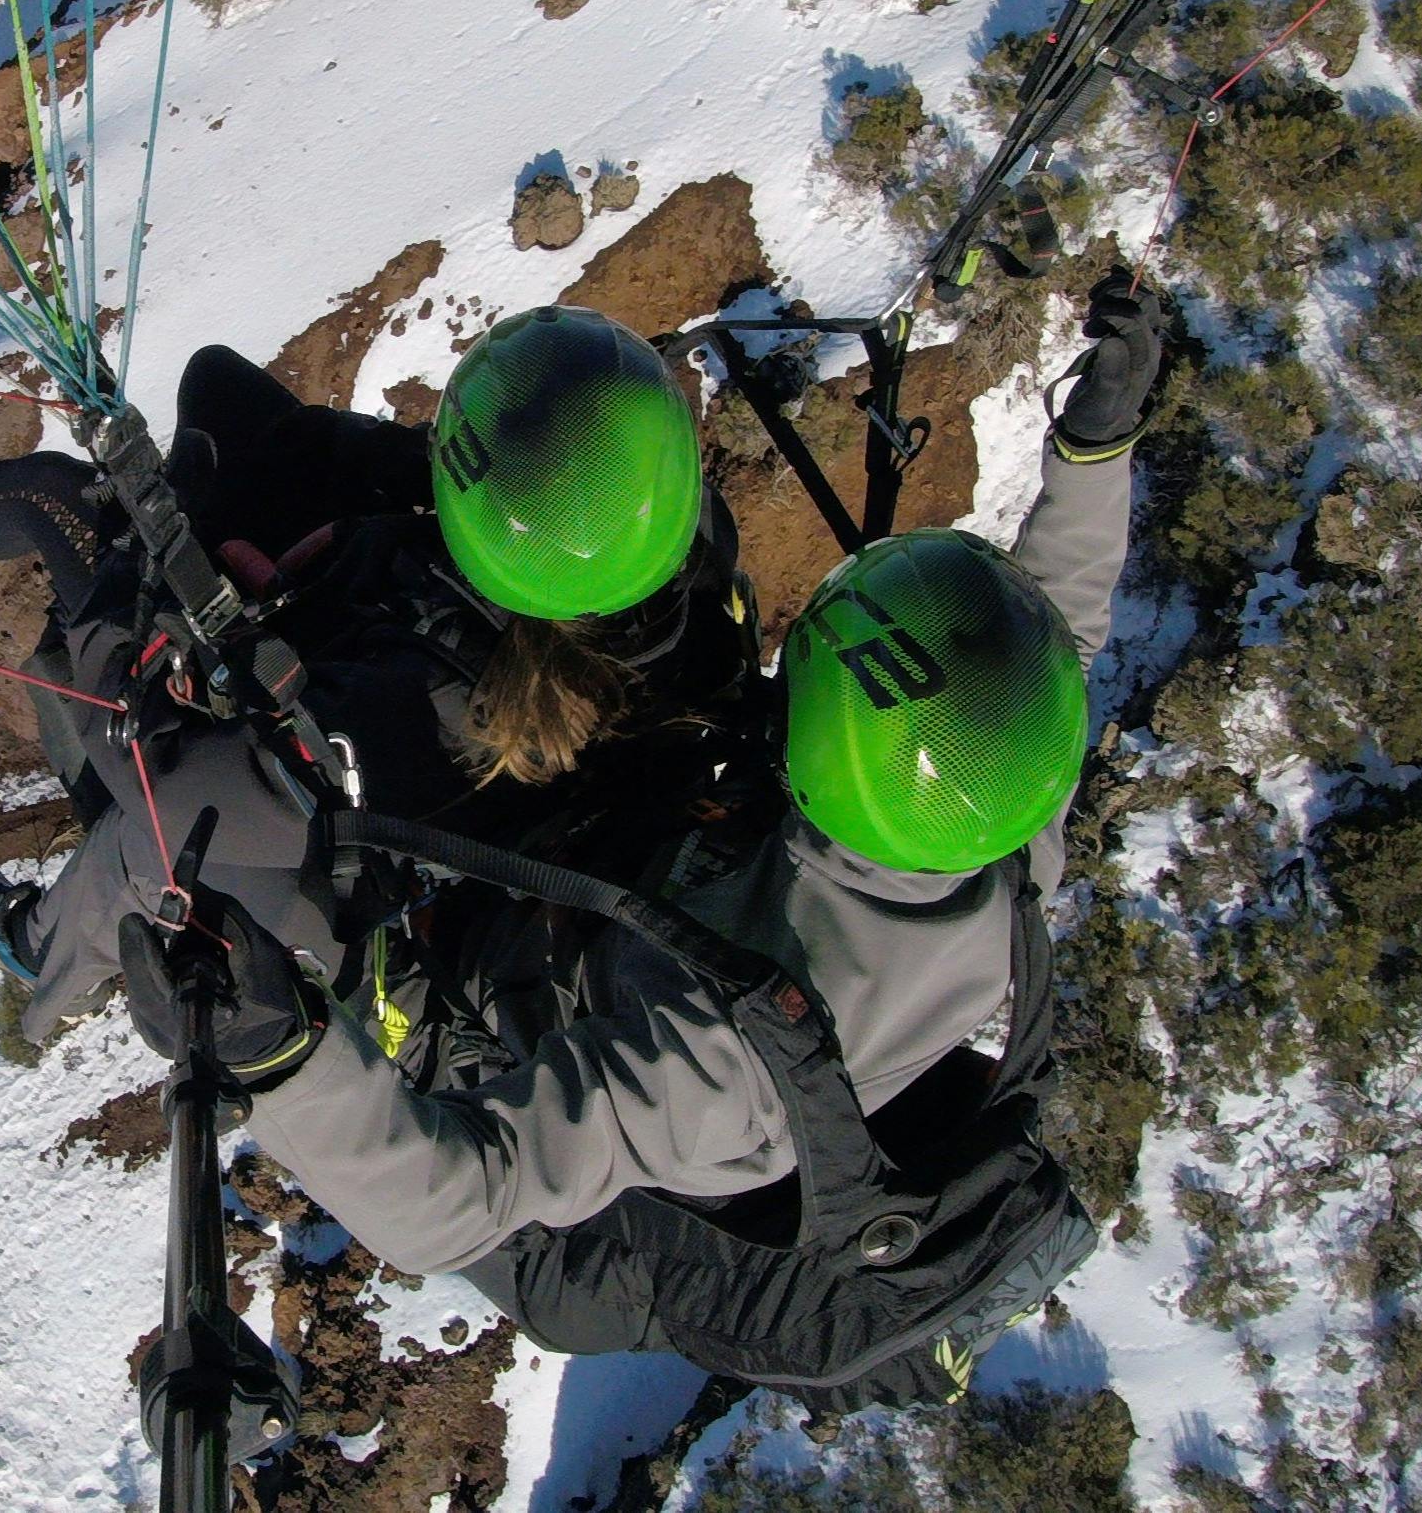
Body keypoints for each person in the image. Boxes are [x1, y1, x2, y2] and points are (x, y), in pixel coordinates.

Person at [108, 272, 1171, 1384]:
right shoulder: (994, 834)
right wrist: (1093, 453)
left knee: (410, 977)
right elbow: (1058, 645)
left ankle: (39, 944)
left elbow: (454, 1197)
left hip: (596, 1251)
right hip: (776, 1057)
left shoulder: (711, 1059)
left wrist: (284, 1058)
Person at [0, 307, 759, 1047]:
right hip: (377, 624)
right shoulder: (663, 548)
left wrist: (139, 599)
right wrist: (333, 532)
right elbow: (413, 471)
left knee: (63, 509)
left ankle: (36, 946)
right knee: (220, 394)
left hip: (331, 851)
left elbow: (162, 781)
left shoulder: (409, 723)